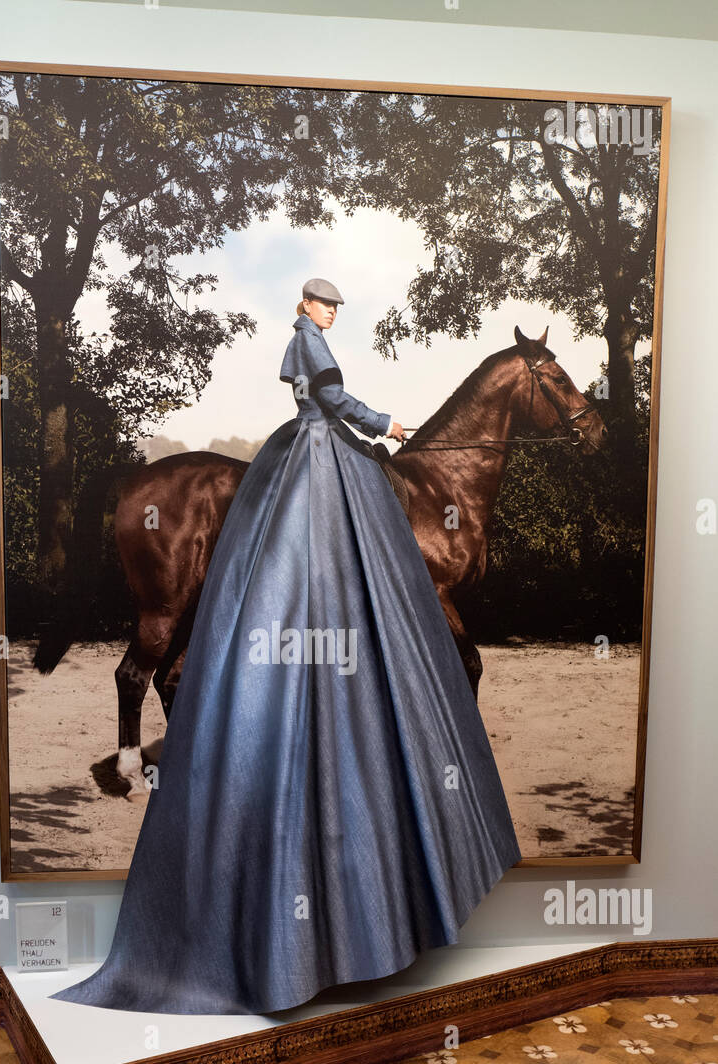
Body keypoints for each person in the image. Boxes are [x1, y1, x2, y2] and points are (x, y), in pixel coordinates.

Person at [51, 277, 521, 1016]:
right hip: (313, 453)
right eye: (324, 305)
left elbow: (330, 408)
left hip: (321, 445)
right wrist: (389, 426)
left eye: (334, 307)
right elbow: (330, 404)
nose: (330, 314)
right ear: (306, 306)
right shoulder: (308, 341)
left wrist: (364, 431)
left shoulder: (312, 340)